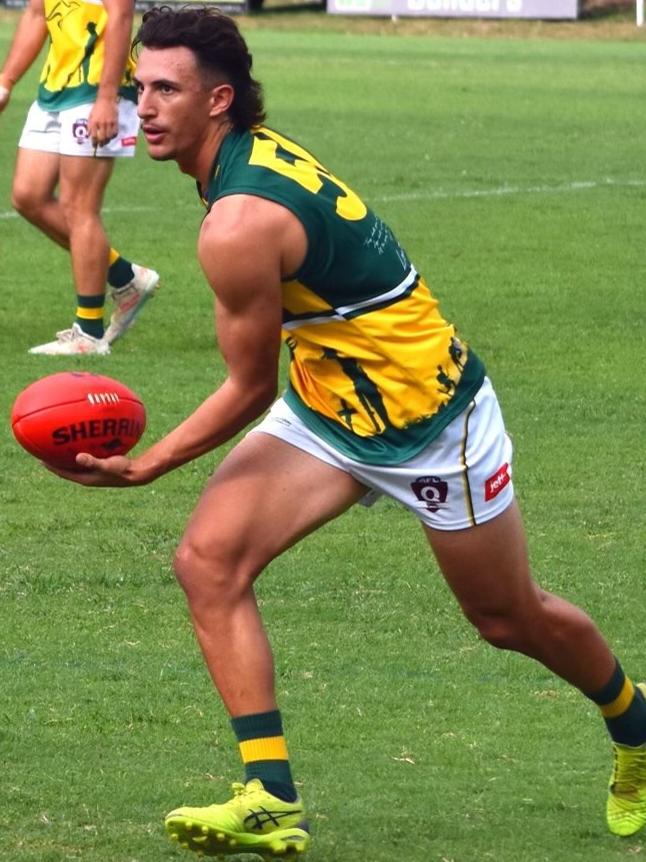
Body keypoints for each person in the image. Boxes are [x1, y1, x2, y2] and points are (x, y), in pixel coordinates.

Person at [48, 6, 646, 858]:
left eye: (165, 89)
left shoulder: (238, 222)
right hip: (332, 407)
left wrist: (147, 466)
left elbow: (249, 387)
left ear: (218, 101)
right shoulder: (240, 163)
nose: (142, 105)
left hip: (429, 419)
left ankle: (637, 727)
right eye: (141, 85)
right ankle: (268, 795)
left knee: (509, 619)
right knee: (209, 563)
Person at [0, 0, 159, 356]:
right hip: (55, 88)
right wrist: (6, 80)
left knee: (79, 207)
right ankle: (124, 277)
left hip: (97, 89)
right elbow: (36, 14)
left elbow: (119, 16)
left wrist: (107, 99)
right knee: (28, 196)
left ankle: (88, 333)